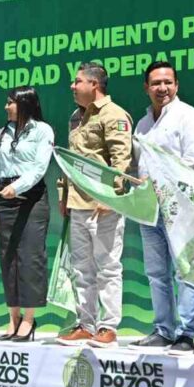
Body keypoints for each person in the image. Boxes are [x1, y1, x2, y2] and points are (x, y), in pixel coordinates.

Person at [56, 63, 133, 348]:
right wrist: (64, 195)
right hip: (78, 203)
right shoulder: (76, 117)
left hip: (104, 205)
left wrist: (110, 197)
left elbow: (121, 159)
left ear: (94, 85)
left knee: (108, 266)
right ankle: (85, 324)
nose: (72, 87)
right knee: (81, 268)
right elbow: (71, 159)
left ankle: (108, 327)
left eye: (77, 82)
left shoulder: (114, 115)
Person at [130, 62, 194, 355]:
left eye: (168, 82)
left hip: (180, 206)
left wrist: (166, 184)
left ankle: (186, 333)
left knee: (186, 270)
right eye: (156, 83)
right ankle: (163, 329)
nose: (162, 88)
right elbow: (140, 164)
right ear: (146, 88)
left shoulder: (188, 116)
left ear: (176, 85)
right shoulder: (143, 123)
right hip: (148, 206)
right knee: (156, 272)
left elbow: (193, 161)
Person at [0, 87, 54, 343]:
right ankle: (12, 317)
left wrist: (16, 187)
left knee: (30, 256)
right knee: (8, 258)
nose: (6, 107)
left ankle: (29, 319)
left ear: (25, 104)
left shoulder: (42, 130)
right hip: (3, 197)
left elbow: (39, 168)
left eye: (11, 103)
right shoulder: (2, 134)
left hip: (30, 198)